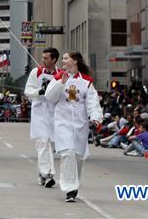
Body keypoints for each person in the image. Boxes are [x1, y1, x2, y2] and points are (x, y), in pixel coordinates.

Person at [45, 51, 103, 203]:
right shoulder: (58, 78)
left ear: (75, 60)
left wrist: (96, 117)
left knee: (78, 156)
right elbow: (49, 97)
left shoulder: (87, 81)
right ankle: (69, 189)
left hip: (80, 124)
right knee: (67, 153)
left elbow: (92, 102)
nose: (62, 61)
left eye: (65, 58)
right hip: (62, 123)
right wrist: (60, 83)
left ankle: (74, 184)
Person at [24, 47, 60, 188]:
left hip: (55, 114)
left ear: (54, 60)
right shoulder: (36, 72)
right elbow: (28, 91)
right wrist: (40, 91)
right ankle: (49, 173)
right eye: (42, 57)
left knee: (49, 145)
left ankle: (42, 173)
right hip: (39, 113)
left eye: (46, 58)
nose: (42, 60)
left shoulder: (61, 75)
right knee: (42, 142)